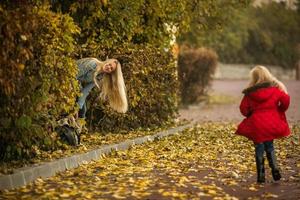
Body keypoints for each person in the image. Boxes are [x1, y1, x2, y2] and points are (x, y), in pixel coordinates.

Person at [235, 65, 290, 183]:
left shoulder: (249, 94)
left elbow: (243, 109)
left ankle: (261, 176)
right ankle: (275, 170)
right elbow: (285, 103)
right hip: (271, 124)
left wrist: (251, 113)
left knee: (259, 148)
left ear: (253, 79)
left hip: (257, 126)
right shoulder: (275, 90)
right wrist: (279, 106)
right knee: (270, 146)